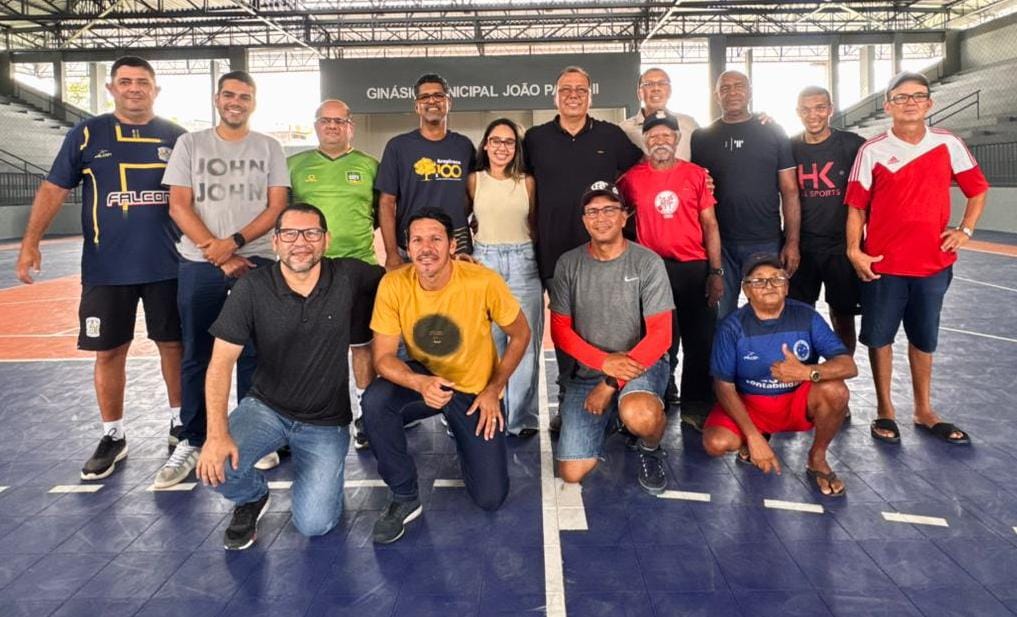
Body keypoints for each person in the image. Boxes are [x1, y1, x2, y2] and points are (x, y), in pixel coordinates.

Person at [15, 56, 186, 480]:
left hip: (169, 265)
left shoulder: (177, 136)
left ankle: (180, 424)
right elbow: (54, 188)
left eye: (142, 82)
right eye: (125, 82)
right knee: (108, 351)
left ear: (156, 89)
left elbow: (198, 197)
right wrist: (31, 242)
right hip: (106, 269)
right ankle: (113, 434)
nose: (134, 88)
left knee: (174, 346)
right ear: (111, 88)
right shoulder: (87, 133)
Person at [196, 204, 382, 549]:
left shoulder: (349, 275)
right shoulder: (252, 288)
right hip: (266, 409)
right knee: (215, 466)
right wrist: (216, 434)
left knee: (315, 524)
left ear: (326, 240)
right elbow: (220, 364)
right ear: (275, 242)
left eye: (311, 233)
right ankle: (252, 496)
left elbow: (403, 279)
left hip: (325, 422)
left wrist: (453, 265)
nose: (301, 242)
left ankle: (320, 477)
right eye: (290, 234)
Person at [362, 209, 531, 544]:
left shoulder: (482, 281)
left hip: (474, 391)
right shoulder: (393, 284)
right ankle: (404, 495)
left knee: (490, 498)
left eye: (436, 239)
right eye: (417, 240)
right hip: (427, 380)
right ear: (408, 246)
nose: (426, 248)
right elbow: (382, 358)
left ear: (453, 245)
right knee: (376, 401)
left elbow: (521, 334)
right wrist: (420, 383)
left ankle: (465, 436)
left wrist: (494, 389)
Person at [160, 70, 290, 488]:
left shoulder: (269, 147)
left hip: (257, 261)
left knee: (256, 353)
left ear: (254, 102)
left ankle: (254, 435)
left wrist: (233, 244)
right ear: (218, 99)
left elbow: (276, 208)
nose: (236, 102)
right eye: (229, 95)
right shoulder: (190, 144)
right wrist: (216, 252)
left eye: (244, 96)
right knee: (198, 353)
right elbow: (179, 205)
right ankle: (194, 438)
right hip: (200, 264)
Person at [845, 71, 989, 446]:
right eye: (901, 97)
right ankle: (885, 409)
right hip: (883, 265)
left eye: (918, 96)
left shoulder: (948, 144)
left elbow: (977, 189)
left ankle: (923, 410)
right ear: (887, 105)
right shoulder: (871, 150)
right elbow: (856, 207)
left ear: (929, 103)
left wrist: (965, 229)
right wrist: (855, 251)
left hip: (932, 265)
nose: (910, 102)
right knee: (880, 338)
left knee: (924, 338)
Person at [523, 65, 643, 428]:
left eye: (580, 89)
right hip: (555, 252)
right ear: (555, 96)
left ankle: (617, 394)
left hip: (605, 253)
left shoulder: (611, 135)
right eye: (566, 89)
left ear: (591, 96)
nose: (573, 95)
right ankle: (568, 399)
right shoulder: (535, 139)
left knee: (610, 326)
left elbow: (641, 172)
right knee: (565, 329)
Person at [550, 182, 673, 494]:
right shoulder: (568, 264)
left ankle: (649, 446)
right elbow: (560, 331)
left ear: (624, 216)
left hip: (641, 366)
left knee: (641, 415)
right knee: (572, 472)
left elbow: (661, 335)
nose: (601, 217)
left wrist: (610, 383)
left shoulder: (647, 262)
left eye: (609, 209)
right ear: (584, 220)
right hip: (589, 371)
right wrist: (603, 362)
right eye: (592, 211)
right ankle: (614, 419)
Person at [702, 254, 857, 497]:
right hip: (750, 404)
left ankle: (817, 457)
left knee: (836, 391)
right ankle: (755, 436)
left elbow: (848, 366)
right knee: (716, 443)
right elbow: (723, 386)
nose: (769, 285)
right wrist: (753, 437)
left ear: (786, 287)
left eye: (777, 278)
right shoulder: (732, 327)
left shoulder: (806, 316)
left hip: (795, 402)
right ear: (746, 290)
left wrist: (807, 372)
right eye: (759, 280)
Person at [618, 111, 723, 431]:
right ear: (645, 141)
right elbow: (616, 217)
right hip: (652, 272)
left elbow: (710, 224)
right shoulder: (631, 179)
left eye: (666, 135)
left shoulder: (696, 175)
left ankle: (696, 406)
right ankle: (658, 397)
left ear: (677, 139)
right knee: (657, 340)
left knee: (699, 341)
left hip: (693, 267)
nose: (660, 141)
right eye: (653, 136)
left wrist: (715, 271)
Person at [288, 98, 379, 449]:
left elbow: (380, 213)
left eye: (339, 121)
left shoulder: (369, 166)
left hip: (360, 266)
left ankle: (366, 415)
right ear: (316, 125)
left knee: (361, 344)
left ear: (350, 126)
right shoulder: (295, 166)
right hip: (310, 270)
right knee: (313, 345)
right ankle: (315, 414)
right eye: (326, 120)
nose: (332, 126)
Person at [691, 70, 801, 320]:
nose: (732, 92)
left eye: (739, 86)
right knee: (721, 317)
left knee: (769, 312)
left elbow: (790, 190)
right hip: (720, 245)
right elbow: (696, 188)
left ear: (750, 91)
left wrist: (792, 241)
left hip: (765, 240)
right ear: (716, 95)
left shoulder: (773, 131)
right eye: (725, 88)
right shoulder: (702, 138)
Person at [467, 119, 542, 438]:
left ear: (516, 148)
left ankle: (520, 419)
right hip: (486, 262)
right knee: (490, 342)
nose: (501, 147)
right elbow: (465, 221)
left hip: (523, 261)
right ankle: (490, 408)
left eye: (509, 142)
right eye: (495, 141)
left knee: (525, 343)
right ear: (485, 145)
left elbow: (534, 224)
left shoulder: (527, 182)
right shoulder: (474, 180)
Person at [790, 85, 866, 365]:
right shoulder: (789, 147)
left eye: (820, 107)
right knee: (799, 314)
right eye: (806, 109)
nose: (813, 115)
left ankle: (840, 371)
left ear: (830, 110)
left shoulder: (853, 145)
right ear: (798, 112)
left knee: (842, 315)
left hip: (842, 248)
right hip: (803, 248)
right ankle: (804, 377)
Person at [376, 73, 475, 270]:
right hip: (411, 249)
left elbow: (474, 193)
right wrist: (392, 253)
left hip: (456, 249)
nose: (432, 101)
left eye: (438, 96)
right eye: (424, 97)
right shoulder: (398, 147)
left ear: (449, 102)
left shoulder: (464, 146)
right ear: (417, 106)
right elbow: (386, 203)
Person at [619, 67, 699, 160]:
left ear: (670, 91)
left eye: (662, 83)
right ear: (639, 93)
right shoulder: (623, 130)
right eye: (648, 84)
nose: (656, 88)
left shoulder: (689, 124)